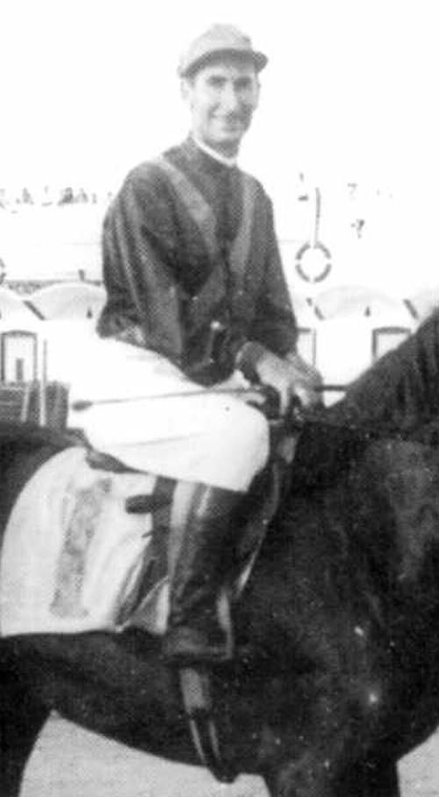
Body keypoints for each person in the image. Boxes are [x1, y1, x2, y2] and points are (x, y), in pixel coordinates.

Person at [70, 24, 322, 681]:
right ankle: (187, 619)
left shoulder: (254, 198)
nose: (231, 100)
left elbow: (273, 315)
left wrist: (287, 361)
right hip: (134, 374)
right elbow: (165, 323)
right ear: (186, 91)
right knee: (240, 437)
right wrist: (254, 360)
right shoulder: (147, 186)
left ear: (259, 94)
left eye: (245, 84)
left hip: (205, 382)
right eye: (217, 83)